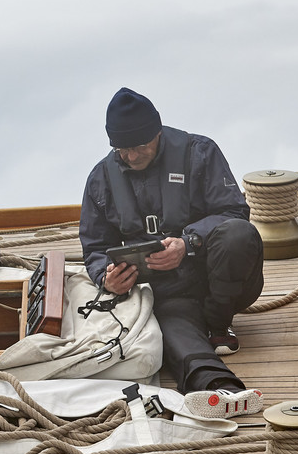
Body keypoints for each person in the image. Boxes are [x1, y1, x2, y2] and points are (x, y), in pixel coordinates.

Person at [79, 88, 264, 419]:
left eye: (139, 147)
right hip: (166, 293)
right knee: (175, 334)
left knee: (238, 235)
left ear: (157, 133)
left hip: (218, 276)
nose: (131, 156)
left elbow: (235, 214)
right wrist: (108, 279)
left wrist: (189, 242)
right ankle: (222, 391)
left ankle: (219, 325)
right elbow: (94, 247)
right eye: (122, 149)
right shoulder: (100, 179)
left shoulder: (200, 153)